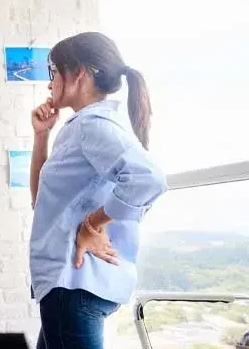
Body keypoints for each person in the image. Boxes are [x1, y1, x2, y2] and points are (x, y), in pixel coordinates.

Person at [29, 32, 168, 349]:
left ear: (78, 73)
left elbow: (149, 179)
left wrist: (93, 224)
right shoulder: (81, 126)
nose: (49, 84)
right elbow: (40, 201)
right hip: (68, 286)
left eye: (53, 73)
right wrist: (41, 137)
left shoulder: (93, 125)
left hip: (74, 286)